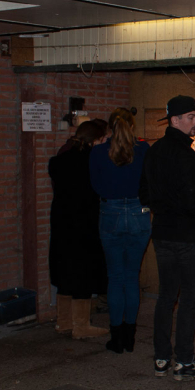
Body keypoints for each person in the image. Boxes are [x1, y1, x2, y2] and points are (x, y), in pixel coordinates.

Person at [140, 95, 195, 381]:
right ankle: (184, 360)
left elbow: (143, 192)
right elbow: (194, 197)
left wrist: (161, 212)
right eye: (192, 117)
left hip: (162, 235)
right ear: (175, 120)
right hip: (189, 238)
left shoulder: (154, 151)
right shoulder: (184, 154)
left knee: (166, 297)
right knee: (189, 301)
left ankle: (161, 358)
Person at [89, 108, 152, 354]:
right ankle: (131, 337)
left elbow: (96, 185)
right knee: (131, 276)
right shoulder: (144, 149)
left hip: (111, 214)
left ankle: (117, 339)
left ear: (109, 127)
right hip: (139, 213)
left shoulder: (97, 152)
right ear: (132, 126)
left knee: (115, 277)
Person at [49, 120, 109, 339]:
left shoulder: (58, 161)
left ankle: (63, 322)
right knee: (83, 272)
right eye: (103, 139)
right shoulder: (91, 161)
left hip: (61, 222)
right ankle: (81, 326)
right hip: (84, 223)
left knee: (64, 270)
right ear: (95, 140)